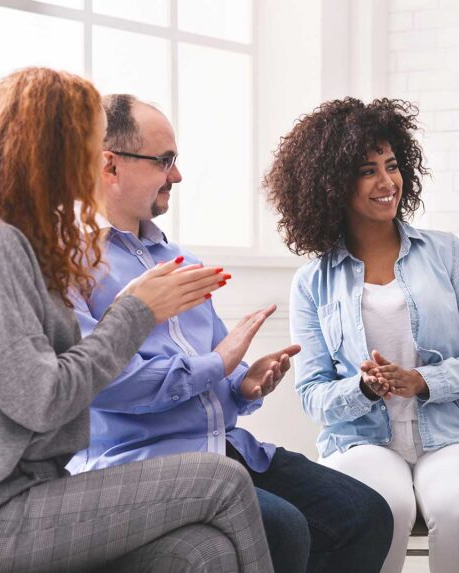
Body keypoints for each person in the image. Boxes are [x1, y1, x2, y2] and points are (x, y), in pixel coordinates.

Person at [67, 94, 393, 573]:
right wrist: (218, 365)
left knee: (365, 515)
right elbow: (106, 383)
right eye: (164, 161)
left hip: (227, 445)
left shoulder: (181, 261)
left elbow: (219, 363)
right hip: (141, 464)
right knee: (282, 528)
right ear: (110, 166)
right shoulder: (71, 264)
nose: (176, 175)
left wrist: (243, 382)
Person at [0, 67, 272, 572]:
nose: (98, 163)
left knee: (204, 554)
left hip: (41, 488)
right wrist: (134, 312)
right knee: (224, 481)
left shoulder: (30, 243)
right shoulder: (1, 244)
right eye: (85, 145)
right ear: (47, 150)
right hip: (7, 509)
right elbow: (42, 398)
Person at [265, 97, 459, 573]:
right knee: (383, 510)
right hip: (360, 444)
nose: (386, 182)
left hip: (452, 438)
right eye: (367, 170)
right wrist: (362, 388)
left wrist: (423, 380)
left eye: (392, 166)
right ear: (332, 185)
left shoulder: (446, 253)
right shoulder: (312, 282)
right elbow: (312, 393)